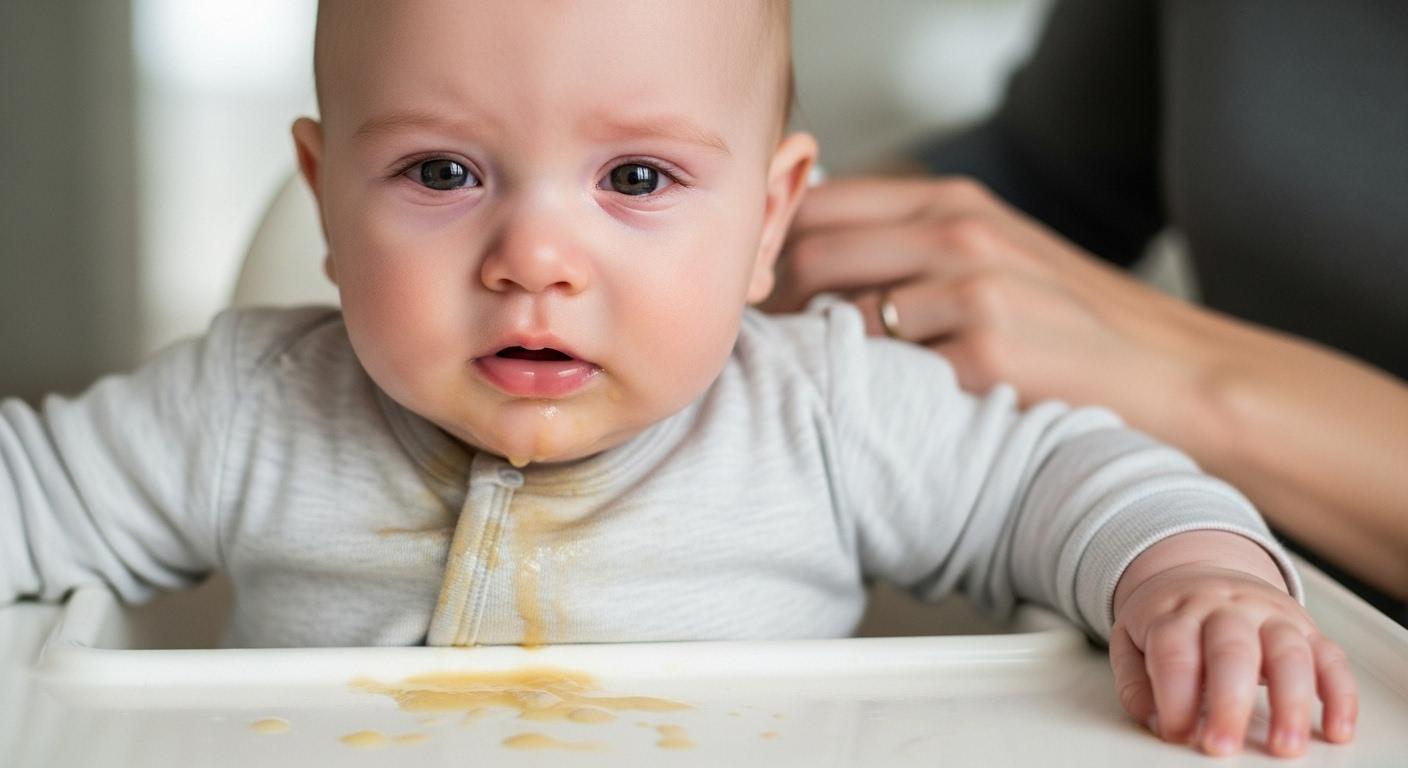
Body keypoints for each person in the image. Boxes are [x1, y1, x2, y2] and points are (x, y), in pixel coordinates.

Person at [0, 0, 1354, 758]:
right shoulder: (240, 408)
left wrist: (1191, 577)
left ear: (770, 220)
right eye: (439, 173)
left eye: (636, 180)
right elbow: (27, 493)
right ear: (325, 202)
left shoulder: (822, 409)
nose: (534, 256)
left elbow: (1063, 477)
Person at [767, 0, 1408, 627]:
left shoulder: (874, 415)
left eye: (659, 179)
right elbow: (1041, 171)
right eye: (655, 177)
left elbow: (1037, 489)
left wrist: (1188, 567)